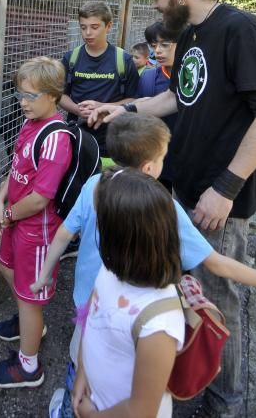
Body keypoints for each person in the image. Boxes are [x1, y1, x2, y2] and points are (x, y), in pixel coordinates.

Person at [88, 0, 256, 418]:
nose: (157, 5)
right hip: (184, 186)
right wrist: (123, 109)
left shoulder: (239, 29)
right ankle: (194, 382)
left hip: (220, 195)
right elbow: (172, 98)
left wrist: (226, 187)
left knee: (223, 299)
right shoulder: (189, 36)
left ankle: (228, 405)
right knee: (194, 290)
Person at [34, 113, 256, 418]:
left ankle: (67, 409)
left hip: (91, 308)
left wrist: (44, 275)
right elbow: (216, 264)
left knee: (82, 370)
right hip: (132, 323)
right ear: (150, 167)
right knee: (128, 375)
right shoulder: (163, 208)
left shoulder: (95, 186)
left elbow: (64, 234)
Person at [0, 56, 73, 389]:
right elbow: (18, 166)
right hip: (17, 221)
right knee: (7, 267)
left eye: (31, 95)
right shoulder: (30, 123)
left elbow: (39, 199)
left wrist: (7, 214)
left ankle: (28, 367)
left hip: (36, 230)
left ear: (53, 95)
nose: (23, 102)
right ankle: (29, 320)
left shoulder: (56, 139)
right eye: (20, 93)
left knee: (28, 295)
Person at [73, 168, 185, 417]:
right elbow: (91, 317)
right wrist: (82, 370)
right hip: (93, 397)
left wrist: (92, 415)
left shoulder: (159, 324)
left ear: (119, 239)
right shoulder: (111, 270)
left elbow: (140, 411)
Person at [60, 0, 139, 161]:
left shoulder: (123, 60)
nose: (88, 33)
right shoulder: (71, 59)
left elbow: (134, 99)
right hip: (76, 138)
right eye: (83, 27)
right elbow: (60, 95)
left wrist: (102, 107)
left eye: (94, 27)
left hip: (112, 142)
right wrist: (76, 109)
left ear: (108, 26)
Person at [137, 21, 181, 190]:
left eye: (165, 45)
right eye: (154, 45)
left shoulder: (196, 78)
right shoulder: (148, 79)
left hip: (188, 161)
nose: (158, 51)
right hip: (157, 161)